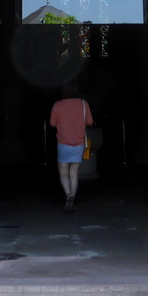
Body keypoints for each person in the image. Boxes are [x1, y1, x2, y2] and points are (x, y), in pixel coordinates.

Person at [49, 83, 93, 212]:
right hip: (78, 143)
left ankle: (68, 194)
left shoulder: (57, 105)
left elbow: (52, 123)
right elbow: (89, 122)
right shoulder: (83, 104)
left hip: (63, 143)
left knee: (63, 172)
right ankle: (72, 199)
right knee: (74, 173)